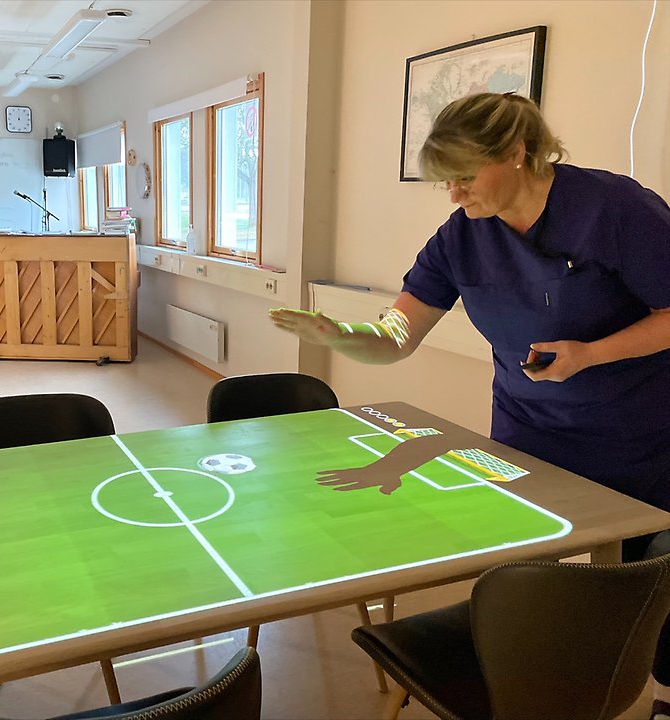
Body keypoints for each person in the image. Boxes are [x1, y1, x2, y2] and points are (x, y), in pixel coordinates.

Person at [270, 91, 670, 719]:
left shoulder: (613, 210)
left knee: (643, 592)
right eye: (445, 181)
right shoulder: (461, 237)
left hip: (637, 438)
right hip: (526, 435)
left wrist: (592, 353)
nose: (453, 193)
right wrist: (345, 338)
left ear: (516, 154)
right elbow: (399, 337)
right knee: (528, 584)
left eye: (463, 175)